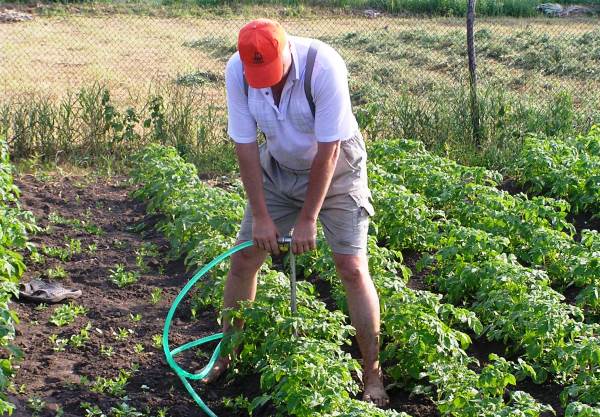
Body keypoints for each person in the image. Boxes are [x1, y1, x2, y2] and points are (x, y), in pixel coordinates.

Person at [201, 18, 389, 407]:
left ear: (287, 52)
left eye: (272, 74)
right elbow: (246, 147)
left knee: (351, 267)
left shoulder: (324, 66)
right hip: (279, 169)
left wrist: (307, 219)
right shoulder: (237, 71)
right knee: (244, 259)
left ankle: (373, 372)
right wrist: (262, 216)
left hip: (338, 171)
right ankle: (227, 353)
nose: (266, 84)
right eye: (259, 77)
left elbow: (329, 150)